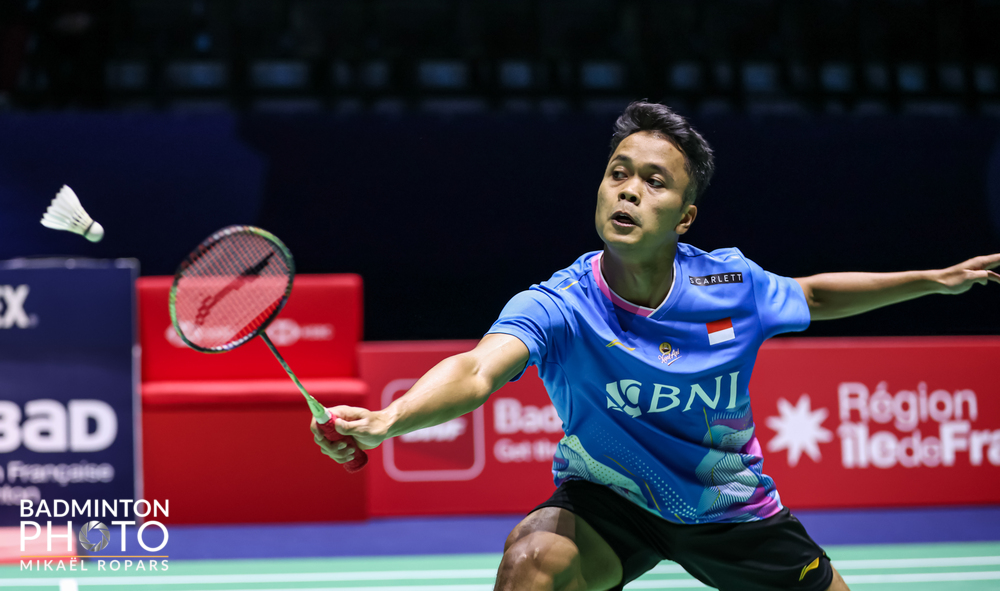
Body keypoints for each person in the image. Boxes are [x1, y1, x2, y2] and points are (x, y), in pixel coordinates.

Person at [310, 101, 999, 591]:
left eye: (654, 181)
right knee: (531, 565)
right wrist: (389, 420)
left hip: (728, 508)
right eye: (619, 173)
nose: (630, 192)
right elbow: (476, 369)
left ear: (685, 217)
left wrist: (934, 281)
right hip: (611, 503)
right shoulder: (559, 304)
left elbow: (814, 296)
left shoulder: (729, 284)